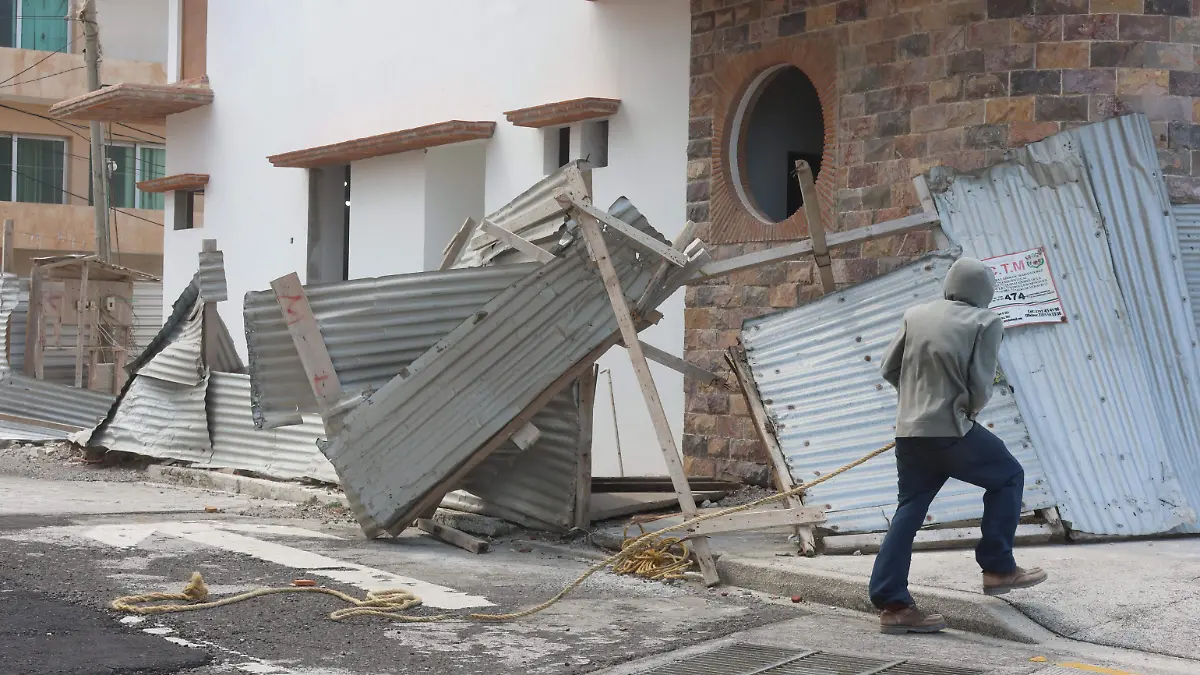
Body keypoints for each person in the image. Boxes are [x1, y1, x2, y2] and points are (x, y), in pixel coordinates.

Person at [868, 257, 1047, 635]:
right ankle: (998, 568)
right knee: (1009, 476)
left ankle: (893, 604)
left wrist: (915, 401)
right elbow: (980, 383)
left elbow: (888, 368)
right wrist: (965, 410)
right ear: (984, 291)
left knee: (910, 510)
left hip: (909, 432)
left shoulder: (915, 315)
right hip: (951, 429)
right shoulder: (986, 321)